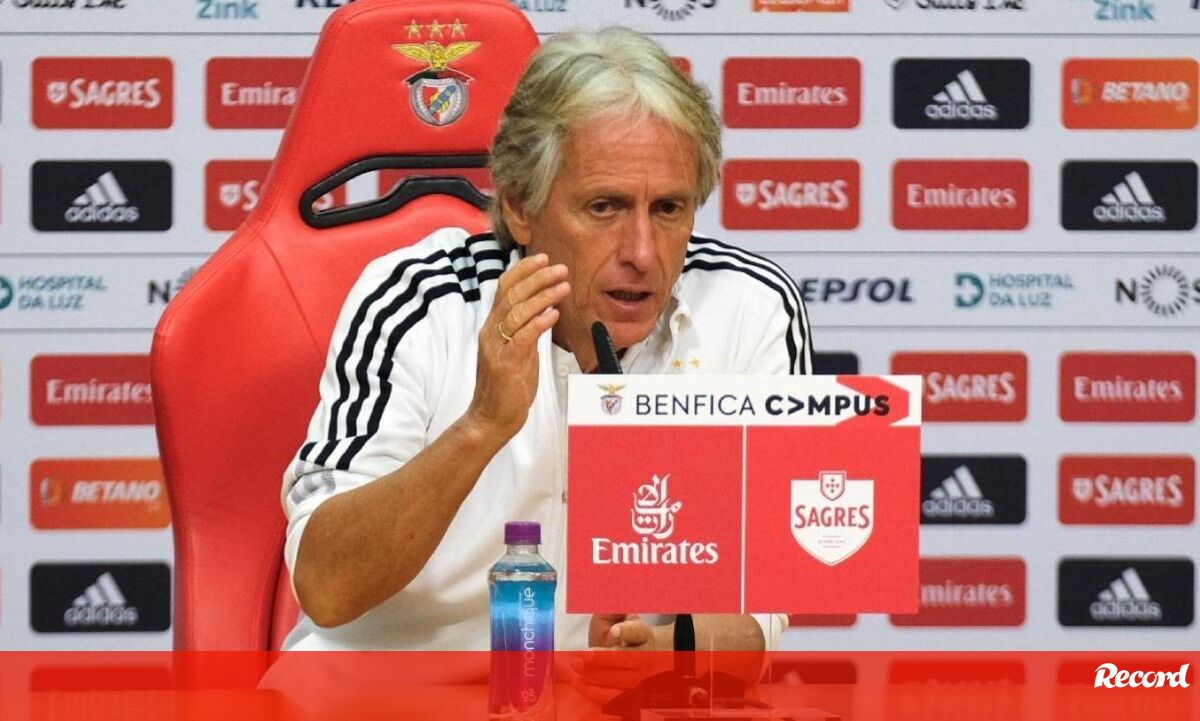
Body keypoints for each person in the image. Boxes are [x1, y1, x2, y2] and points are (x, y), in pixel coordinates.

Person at [280, 28, 812, 658]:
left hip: (618, 697)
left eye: (669, 209)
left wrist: (669, 652)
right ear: (520, 207)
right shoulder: (419, 301)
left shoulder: (751, 308)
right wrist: (482, 424)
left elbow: (768, 597)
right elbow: (328, 589)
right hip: (392, 689)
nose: (643, 254)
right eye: (605, 207)